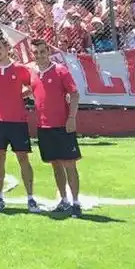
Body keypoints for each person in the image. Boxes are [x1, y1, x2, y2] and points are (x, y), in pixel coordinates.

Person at [0, 31, 40, 213]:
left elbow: (34, 85)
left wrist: (22, 95)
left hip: (17, 121)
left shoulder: (20, 69)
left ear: (7, 48)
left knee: (23, 158)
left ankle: (31, 198)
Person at [29, 40, 83, 217]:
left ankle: (76, 202)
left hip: (62, 125)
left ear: (48, 52)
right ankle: (64, 200)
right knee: (55, 165)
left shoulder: (60, 70)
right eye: (36, 52)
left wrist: (72, 118)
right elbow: (30, 92)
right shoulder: (33, 73)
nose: (39, 55)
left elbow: (74, 94)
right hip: (44, 126)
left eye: (42, 51)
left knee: (69, 164)